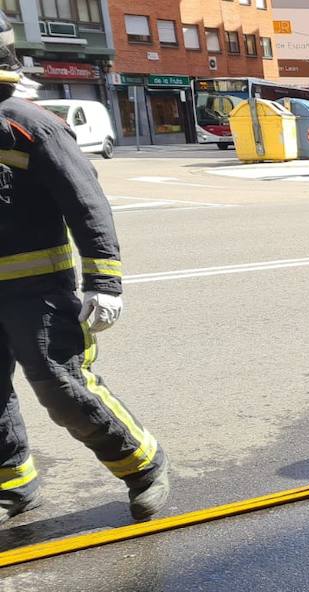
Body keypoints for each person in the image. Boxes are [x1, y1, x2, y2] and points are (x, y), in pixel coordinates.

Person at [0, 11, 170, 522]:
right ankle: (14, 486)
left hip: (37, 292)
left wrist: (104, 283)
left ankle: (144, 466)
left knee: (63, 386)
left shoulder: (28, 127)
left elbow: (87, 205)